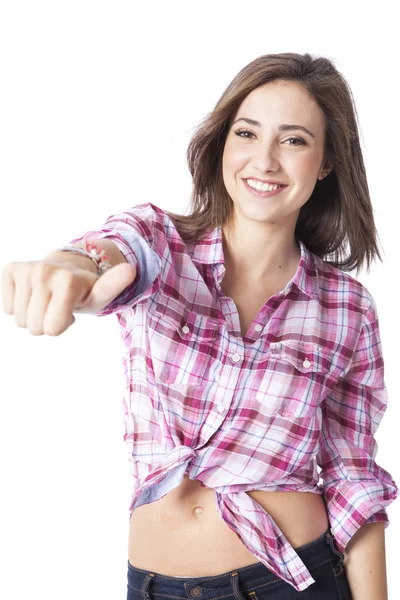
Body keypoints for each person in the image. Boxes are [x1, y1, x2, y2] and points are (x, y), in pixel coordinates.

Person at [2, 52, 399, 599]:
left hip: (292, 581)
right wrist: (68, 266)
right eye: (247, 133)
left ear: (327, 161)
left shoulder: (346, 307)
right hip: (155, 586)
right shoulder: (162, 245)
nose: (265, 160)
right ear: (222, 144)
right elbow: (110, 254)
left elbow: (353, 476)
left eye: (294, 140)